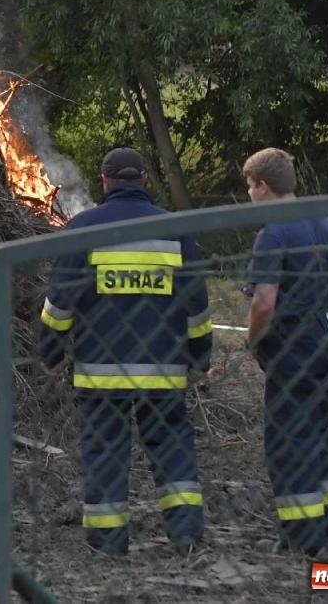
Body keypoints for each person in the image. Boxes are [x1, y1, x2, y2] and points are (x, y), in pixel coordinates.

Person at [38, 147, 213, 555]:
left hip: (101, 371)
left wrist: (51, 354)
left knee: (105, 452)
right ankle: (186, 534)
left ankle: (109, 543)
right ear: (145, 182)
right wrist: (200, 357)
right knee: (172, 448)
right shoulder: (177, 230)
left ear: (106, 181)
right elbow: (196, 307)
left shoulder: (84, 229)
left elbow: (59, 305)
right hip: (164, 369)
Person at [243, 147, 328, 556]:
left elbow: (264, 302)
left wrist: (252, 341)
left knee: (289, 441)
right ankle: (326, 526)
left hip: (292, 347)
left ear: (264, 186)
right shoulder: (321, 218)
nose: (249, 196)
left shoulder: (273, 231)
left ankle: (299, 537)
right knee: (319, 434)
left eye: (249, 187)